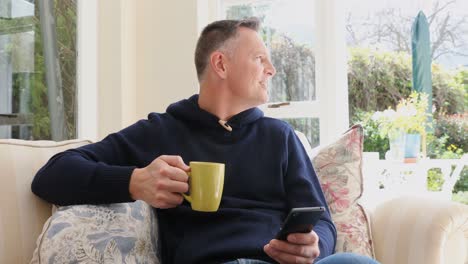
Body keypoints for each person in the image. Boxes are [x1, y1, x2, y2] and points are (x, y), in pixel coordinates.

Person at [32, 18, 379, 264]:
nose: (271, 69)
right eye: (260, 58)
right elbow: (52, 175)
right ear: (220, 64)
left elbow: (322, 220)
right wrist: (136, 182)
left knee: (355, 262)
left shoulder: (281, 138)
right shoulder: (160, 132)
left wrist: (313, 246)